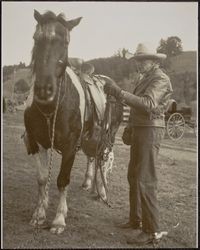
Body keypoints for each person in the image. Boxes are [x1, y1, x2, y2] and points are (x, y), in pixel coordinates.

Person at [104, 43, 173, 245]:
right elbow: (138, 108)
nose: (138, 64)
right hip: (141, 129)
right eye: (137, 61)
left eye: (142, 61)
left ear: (154, 61)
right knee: (134, 176)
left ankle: (152, 231)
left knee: (145, 178)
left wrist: (119, 92)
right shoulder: (146, 78)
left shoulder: (160, 78)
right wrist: (130, 128)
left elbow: (149, 104)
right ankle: (136, 220)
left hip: (151, 130)